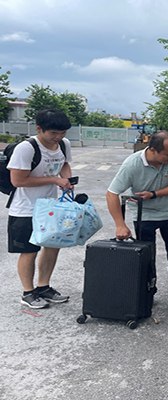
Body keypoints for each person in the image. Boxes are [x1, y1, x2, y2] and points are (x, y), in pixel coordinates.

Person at [106, 131, 168, 297]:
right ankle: (148, 289)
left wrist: (153, 194)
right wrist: (120, 225)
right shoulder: (132, 165)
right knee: (147, 254)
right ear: (152, 150)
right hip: (144, 214)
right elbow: (111, 194)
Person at [7, 109, 74, 309]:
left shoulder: (63, 144)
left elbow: (64, 165)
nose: (58, 137)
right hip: (25, 209)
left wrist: (67, 181)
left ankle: (44, 287)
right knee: (29, 251)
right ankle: (28, 292)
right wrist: (54, 180)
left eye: (62, 133)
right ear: (39, 129)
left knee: (52, 247)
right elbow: (18, 181)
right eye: (53, 133)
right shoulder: (26, 148)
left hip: (50, 207)